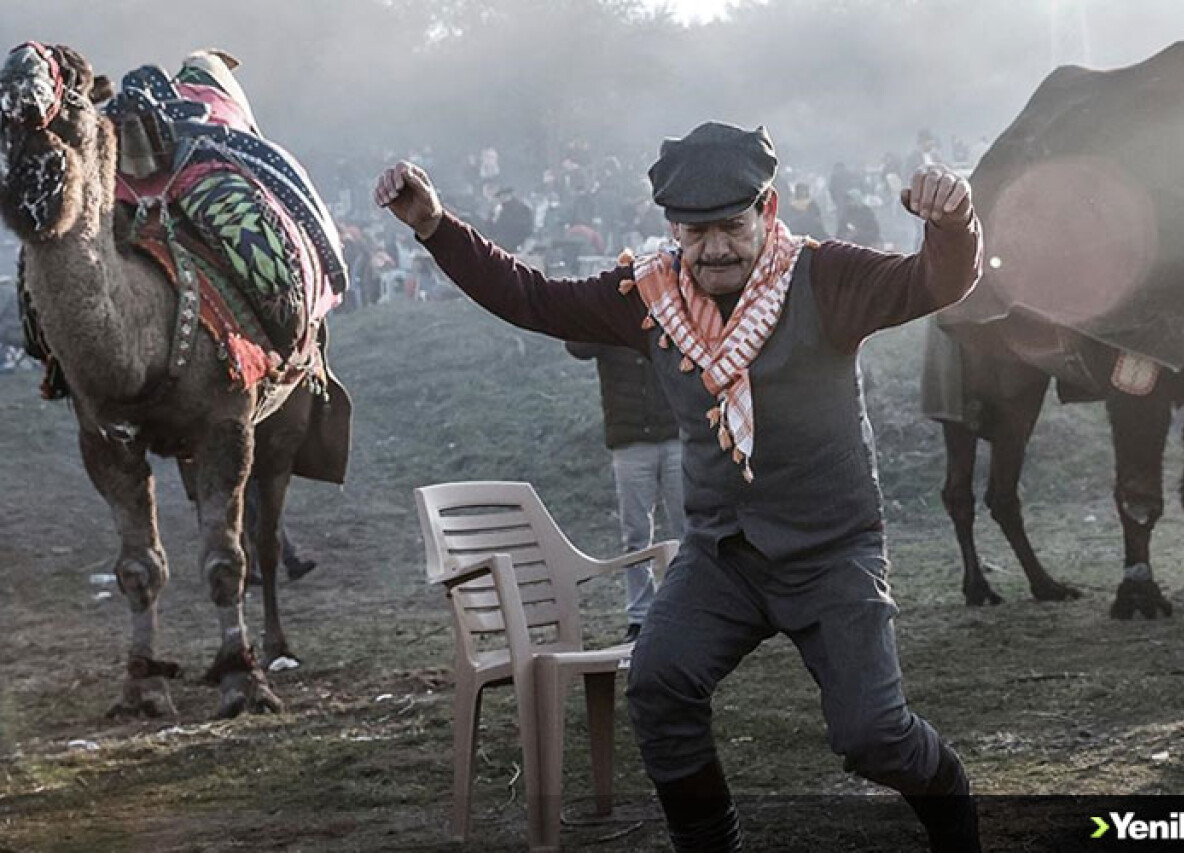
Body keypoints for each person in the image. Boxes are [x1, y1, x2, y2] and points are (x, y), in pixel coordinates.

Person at [376, 120, 983, 852]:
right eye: (695, 232)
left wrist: (955, 221)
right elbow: (533, 298)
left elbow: (936, 280)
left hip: (833, 552)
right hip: (723, 555)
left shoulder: (826, 277)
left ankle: (954, 812)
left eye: (731, 225)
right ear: (671, 227)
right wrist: (436, 227)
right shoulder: (647, 294)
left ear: (770, 209)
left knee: (873, 736)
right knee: (658, 684)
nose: (714, 248)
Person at [565, 340, 686, 643]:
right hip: (632, 441)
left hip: (675, 436)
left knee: (690, 531)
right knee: (635, 535)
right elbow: (576, 345)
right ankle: (640, 616)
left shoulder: (669, 305)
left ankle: (691, 608)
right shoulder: (607, 310)